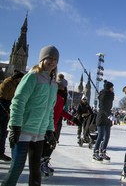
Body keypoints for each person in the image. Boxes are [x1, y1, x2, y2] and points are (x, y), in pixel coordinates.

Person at [1, 45, 59, 186]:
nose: (52, 62)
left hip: (39, 134)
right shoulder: (32, 77)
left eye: (55, 59)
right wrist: (15, 126)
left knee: (36, 171)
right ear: (42, 59)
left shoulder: (53, 85)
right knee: (16, 169)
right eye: (49, 58)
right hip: (23, 130)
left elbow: (50, 110)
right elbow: (18, 101)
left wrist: (50, 130)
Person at [41, 73, 81, 176]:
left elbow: (60, 111)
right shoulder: (54, 95)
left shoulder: (61, 96)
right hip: (48, 123)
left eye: (63, 86)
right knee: (48, 144)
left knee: (50, 144)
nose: (62, 88)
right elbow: (51, 110)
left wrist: (73, 119)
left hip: (54, 123)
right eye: (60, 86)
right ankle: (41, 164)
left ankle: (43, 162)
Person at [0, 71, 24, 162]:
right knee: (2, 133)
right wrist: (7, 109)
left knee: (3, 133)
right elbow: (2, 97)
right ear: (18, 78)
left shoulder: (14, 84)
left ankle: (1, 153)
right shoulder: (7, 83)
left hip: (7, 107)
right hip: (3, 107)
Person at [92, 80, 115, 162]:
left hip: (108, 118)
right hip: (102, 117)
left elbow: (108, 107)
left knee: (107, 136)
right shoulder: (103, 95)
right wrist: (109, 115)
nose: (113, 89)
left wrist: (110, 115)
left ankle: (103, 151)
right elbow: (102, 107)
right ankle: (95, 152)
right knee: (101, 135)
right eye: (112, 87)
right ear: (109, 88)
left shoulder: (111, 95)